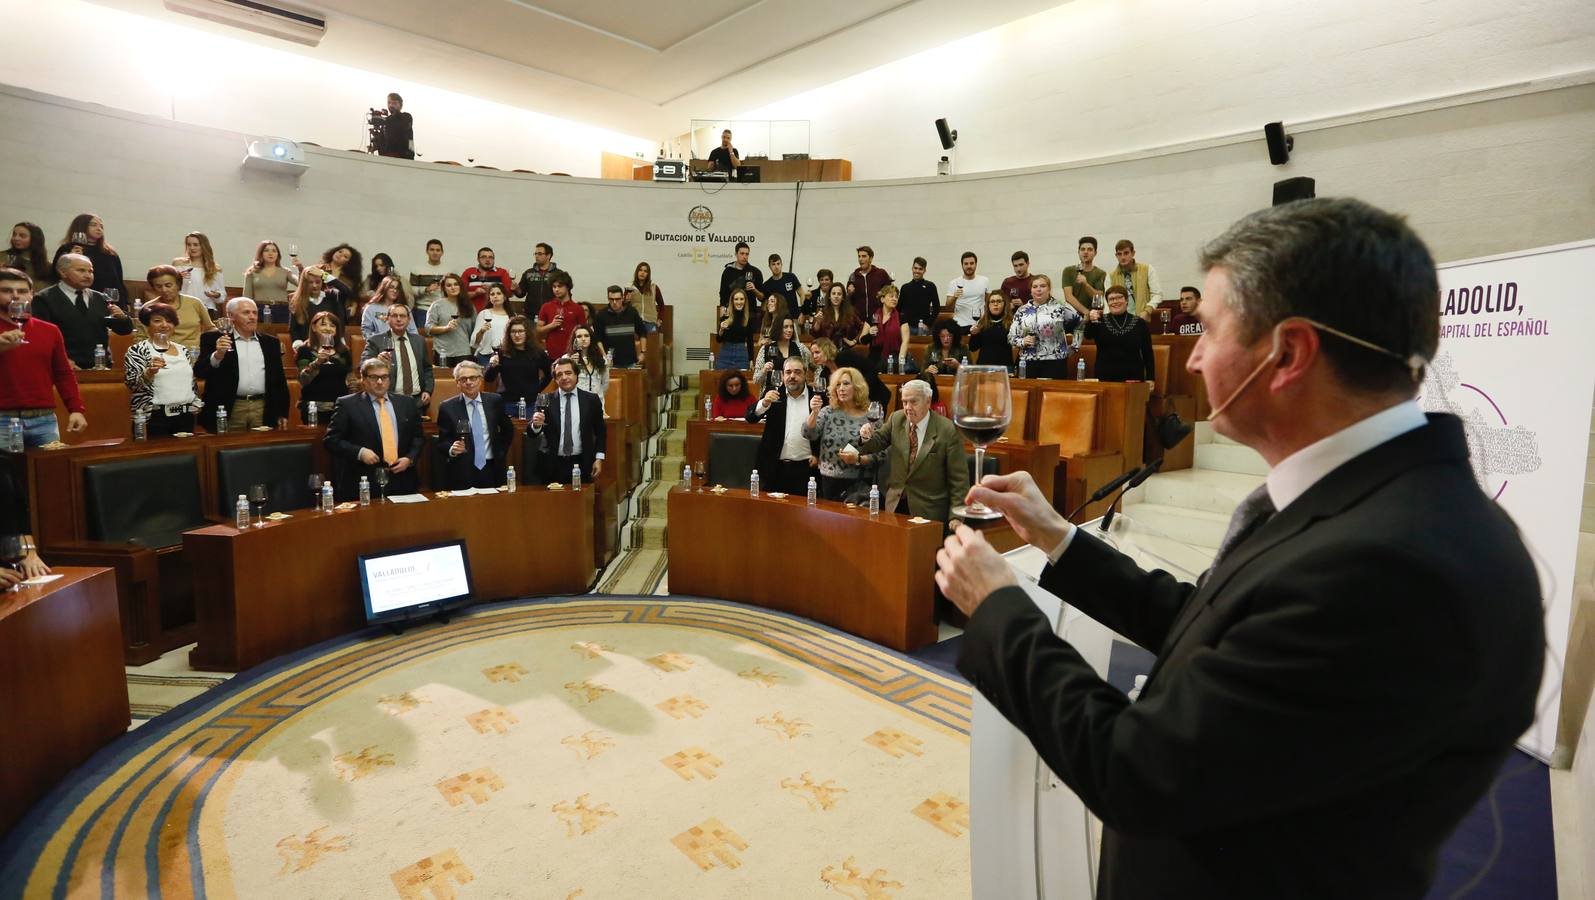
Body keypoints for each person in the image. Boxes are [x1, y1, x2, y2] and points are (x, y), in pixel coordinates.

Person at [934, 197, 1544, 899]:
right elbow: (1214, 629)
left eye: (1210, 330)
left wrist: (999, 609)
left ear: (1286, 353)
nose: (1190, 358)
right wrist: (1057, 537)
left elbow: (1140, 773)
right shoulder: (1367, 500)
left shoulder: (1391, 565)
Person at [851, 378, 967, 523]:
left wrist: (956, 517)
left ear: (928, 401)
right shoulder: (896, 418)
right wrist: (866, 437)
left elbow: (959, 479)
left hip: (929, 510)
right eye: (905, 402)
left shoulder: (947, 429)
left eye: (913, 402)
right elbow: (877, 443)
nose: (908, 407)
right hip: (895, 505)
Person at [0, 268, 86, 446]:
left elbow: (63, 373)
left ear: (31, 295)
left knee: (49, 472)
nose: (15, 296)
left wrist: (76, 409)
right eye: (7, 291)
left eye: (22, 291)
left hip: (43, 419)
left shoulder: (50, 330)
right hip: (2, 418)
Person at [324, 357, 423, 501]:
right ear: (363, 379)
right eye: (373, 377)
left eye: (384, 377)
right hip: (364, 482)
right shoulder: (347, 404)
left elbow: (418, 437)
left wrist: (410, 458)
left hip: (403, 480)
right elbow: (331, 440)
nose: (379, 382)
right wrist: (359, 452)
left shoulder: (406, 403)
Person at [196, 297, 288, 432]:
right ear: (230, 316)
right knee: (228, 450)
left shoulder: (271, 342)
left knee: (262, 450)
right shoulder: (213, 339)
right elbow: (199, 372)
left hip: (263, 407)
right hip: (229, 408)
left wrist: (282, 412)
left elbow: (279, 380)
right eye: (246, 313)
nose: (252, 317)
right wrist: (217, 355)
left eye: (255, 313)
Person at [30, 253, 133, 369]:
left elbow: (124, 330)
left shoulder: (100, 298)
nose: (88, 275)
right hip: (63, 366)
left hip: (100, 366)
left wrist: (122, 318)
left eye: (91, 271)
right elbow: (40, 337)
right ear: (63, 272)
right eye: (81, 271)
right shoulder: (44, 298)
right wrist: (61, 360)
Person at [123, 302, 201, 437]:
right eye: (157, 321)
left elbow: (191, 381)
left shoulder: (182, 349)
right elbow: (132, 384)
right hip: (153, 417)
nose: (164, 325)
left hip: (185, 415)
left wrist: (195, 402)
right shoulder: (137, 350)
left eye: (169, 321)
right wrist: (149, 372)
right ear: (147, 324)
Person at [746, 354, 820, 494]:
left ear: (805, 374)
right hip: (774, 467)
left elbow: (823, 431)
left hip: (806, 469)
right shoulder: (774, 394)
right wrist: (765, 403)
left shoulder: (816, 397)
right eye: (788, 372)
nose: (792, 376)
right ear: (783, 375)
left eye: (797, 372)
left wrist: (818, 454)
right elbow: (750, 417)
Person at [437, 360, 514, 490]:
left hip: (492, 467)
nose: (468, 382)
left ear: (480, 379)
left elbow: (508, 429)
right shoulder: (447, 407)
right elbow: (442, 441)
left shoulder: (495, 401)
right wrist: (452, 449)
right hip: (462, 470)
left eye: (473, 377)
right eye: (463, 379)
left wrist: (500, 451)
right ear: (457, 383)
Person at [802, 365, 873, 502]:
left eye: (846, 384)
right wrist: (814, 413)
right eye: (838, 385)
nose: (841, 388)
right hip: (830, 480)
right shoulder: (828, 411)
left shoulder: (871, 415)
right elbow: (809, 434)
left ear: (857, 387)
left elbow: (881, 452)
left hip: (861, 481)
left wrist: (858, 459)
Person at [531, 356, 606, 483]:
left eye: (568, 373)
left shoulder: (591, 400)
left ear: (576, 375)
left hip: (582, 463)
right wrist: (536, 425)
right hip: (552, 464)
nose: (564, 377)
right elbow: (532, 433)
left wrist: (599, 458)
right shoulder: (545, 399)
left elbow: (600, 431)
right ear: (555, 379)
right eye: (559, 374)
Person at [1010, 274, 1083, 379]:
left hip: (1055, 361)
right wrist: (1022, 341)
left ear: (1049, 289)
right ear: (1031, 291)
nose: (1038, 289)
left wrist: (1074, 347)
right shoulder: (1022, 310)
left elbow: (1080, 323)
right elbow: (1011, 337)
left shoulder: (1061, 306)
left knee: (1053, 394)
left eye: (1042, 286)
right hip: (1028, 361)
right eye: (1035, 287)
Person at [366, 304, 434, 413]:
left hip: (417, 401)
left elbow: (427, 369)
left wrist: (427, 390)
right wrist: (376, 361)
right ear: (387, 319)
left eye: (402, 316)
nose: (398, 319)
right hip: (389, 400)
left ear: (409, 319)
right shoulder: (376, 341)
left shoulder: (419, 341)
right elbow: (363, 365)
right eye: (394, 316)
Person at [1085, 285, 1156, 383]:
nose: (1115, 301)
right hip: (1105, 378)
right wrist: (1091, 320)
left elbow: (1147, 352)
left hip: (1133, 379)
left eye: (1119, 297)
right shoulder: (1099, 320)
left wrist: (1150, 378)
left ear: (1126, 300)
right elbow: (1088, 335)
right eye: (1111, 299)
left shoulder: (1140, 323)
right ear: (1107, 303)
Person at [484, 316, 551, 411]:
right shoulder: (502, 353)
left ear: (527, 333)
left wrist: (537, 389)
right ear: (509, 334)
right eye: (513, 331)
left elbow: (549, 375)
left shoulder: (538, 353)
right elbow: (488, 379)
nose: (517, 335)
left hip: (531, 403)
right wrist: (492, 366)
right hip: (507, 402)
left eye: (520, 331)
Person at [142, 265, 216, 351]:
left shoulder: (195, 303)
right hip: (162, 354)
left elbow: (210, 328)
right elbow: (142, 337)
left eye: (168, 285)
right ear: (153, 288)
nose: (164, 290)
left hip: (193, 353)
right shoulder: (148, 308)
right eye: (159, 286)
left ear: (178, 285)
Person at [295, 311, 351, 425]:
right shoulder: (304, 350)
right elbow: (303, 379)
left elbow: (351, 378)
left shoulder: (344, 351)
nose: (328, 328)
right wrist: (317, 362)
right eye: (323, 324)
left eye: (332, 325)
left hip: (340, 408)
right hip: (314, 409)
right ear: (314, 327)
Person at [55, 214, 124, 299]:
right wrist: (70, 257)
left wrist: (126, 302)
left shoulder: (109, 253)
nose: (99, 229)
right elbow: (56, 275)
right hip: (78, 297)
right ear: (81, 226)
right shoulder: (67, 249)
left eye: (101, 226)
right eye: (93, 225)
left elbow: (118, 281)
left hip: (109, 299)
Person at [288, 263, 346, 347]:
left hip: (331, 345)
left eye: (318, 282)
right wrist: (299, 344)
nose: (314, 286)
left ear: (322, 282)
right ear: (304, 283)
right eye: (310, 282)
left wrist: (324, 275)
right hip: (307, 347)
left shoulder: (332, 296)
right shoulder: (296, 300)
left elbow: (347, 291)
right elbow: (293, 329)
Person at [591, 284, 647, 369]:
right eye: (611, 299)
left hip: (630, 361)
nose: (614, 302)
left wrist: (643, 352)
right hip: (611, 362)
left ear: (622, 298)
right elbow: (598, 339)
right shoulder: (601, 315)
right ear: (608, 299)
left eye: (617, 299)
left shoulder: (632, 312)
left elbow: (643, 332)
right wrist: (605, 357)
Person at [426, 276, 478, 367]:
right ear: (444, 288)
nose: (453, 287)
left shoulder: (469, 306)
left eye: (456, 284)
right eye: (449, 285)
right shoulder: (437, 305)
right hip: (443, 351)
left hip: (464, 351)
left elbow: (474, 330)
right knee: (444, 380)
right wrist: (446, 328)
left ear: (460, 286)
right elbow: (428, 328)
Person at [173, 232, 225, 316]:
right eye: (189, 245)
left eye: (196, 245)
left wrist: (216, 295)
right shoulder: (178, 264)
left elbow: (222, 296)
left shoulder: (214, 268)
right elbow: (170, 288)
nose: (192, 248)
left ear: (204, 246)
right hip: (182, 309)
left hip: (206, 310)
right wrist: (177, 278)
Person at [537, 271, 586, 359]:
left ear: (567, 287)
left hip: (572, 355)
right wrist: (551, 325)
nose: (556, 289)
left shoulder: (578, 309)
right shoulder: (546, 307)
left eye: (560, 286)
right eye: (554, 286)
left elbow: (584, 333)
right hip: (551, 355)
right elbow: (538, 331)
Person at [754, 316, 809, 394]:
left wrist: (814, 382)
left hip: (796, 394)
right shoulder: (765, 349)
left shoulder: (801, 348)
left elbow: (816, 366)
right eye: (785, 327)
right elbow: (756, 380)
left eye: (791, 327)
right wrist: (764, 370)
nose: (789, 330)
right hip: (771, 395)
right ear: (778, 328)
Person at [1110, 238, 1163, 318]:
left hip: (1142, 318)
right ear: (1116, 255)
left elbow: (1157, 294)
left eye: (1126, 253)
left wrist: (1147, 311)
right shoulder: (1111, 276)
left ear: (1133, 253)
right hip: (1120, 320)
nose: (1123, 257)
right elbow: (1107, 301)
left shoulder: (1147, 269)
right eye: (1119, 254)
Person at [241, 240, 300, 310]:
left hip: (282, 309)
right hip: (259, 308)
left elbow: (301, 284)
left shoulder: (285, 271)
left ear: (278, 254)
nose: (270, 253)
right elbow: (247, 297)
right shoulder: (252, 272)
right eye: (266, 250)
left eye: (274, 251)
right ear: (261, 253)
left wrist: (300, 268)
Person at [361, 275, 420, 340]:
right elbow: (366, 331)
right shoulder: (371, 308)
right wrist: (377, 342)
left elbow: (413, 331)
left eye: (397, 288)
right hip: (379, 345)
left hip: (401, 344)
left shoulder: (404, 309)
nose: (395, 291)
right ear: (385, 288)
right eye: (391, 287)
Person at [869, 284, 912, 372]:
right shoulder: (874, 316)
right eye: (891, 296)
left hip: (894, 358)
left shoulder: (901, 318)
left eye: (896, 297)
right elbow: (862, 340)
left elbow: (905, 341)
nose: (894, 299)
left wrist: (901, 362)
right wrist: (869, 333)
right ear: (882, 299)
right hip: (874, 358)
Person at [810, 283, 864, 352]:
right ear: (829, 296)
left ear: (843, 297)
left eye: (839, 294)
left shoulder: (851, 312)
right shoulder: (821, 311)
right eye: (833, 293)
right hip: (827, 350)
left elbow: (862, 327)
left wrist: (854, 341)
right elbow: (814, 334)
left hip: (845, 350)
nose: (836, 296)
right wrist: (817, 322)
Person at [967, 291, 1014, 370]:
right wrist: (974, 335)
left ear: (1005, 304)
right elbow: (973, 348)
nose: (995, 304)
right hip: (983, 366)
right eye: (992, 302)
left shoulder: (1011, 323)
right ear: (988, 305)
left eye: (999, 301)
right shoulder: (982, 323)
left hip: (1004, 367)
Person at [1061, 235, 1107, 316]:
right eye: (1082, 249)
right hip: (1072, 317)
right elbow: (1068, 297)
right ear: (1078, 252)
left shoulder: (1100, 273)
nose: (1086, 252)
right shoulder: (1068, 271)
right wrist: (1086, 312)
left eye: (1089, 249)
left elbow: (1099, 298)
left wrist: (1086, 284)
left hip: (1094, 317)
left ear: (1095, 253)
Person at [515, 242, 561, 316]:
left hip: (552, 315)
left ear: (548, 255)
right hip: (531, 315)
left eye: (539, 254)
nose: (536, 256)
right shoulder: (528, 273)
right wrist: (516, 289)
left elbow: (565, 294)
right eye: (535, 254)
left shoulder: (558, 274)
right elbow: (521, 294)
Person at [318, 244, 363, 320]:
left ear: (349, 262)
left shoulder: (349, 277)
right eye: (340, 251)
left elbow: (352, 294)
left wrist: (354, 306)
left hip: (340, 310)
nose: (340, 255)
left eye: (345, 256)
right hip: (320, 307)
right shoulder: (321, 268)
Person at [568, 323, 609, 406]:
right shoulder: (567, 359)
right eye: (579, 336)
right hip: (575, 402)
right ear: (574, 340)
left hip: (597, 402)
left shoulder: (601, 359)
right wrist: (570, 365)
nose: (583, 339)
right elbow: (564, 382)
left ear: (591, 338)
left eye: (586, 336)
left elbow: (605, 384)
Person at [471, 284, 514, 363]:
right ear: (489, 298)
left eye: (498, 293)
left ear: (504, 297)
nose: (495, 296)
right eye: (492, 294)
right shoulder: (484, 314)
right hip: (486, 356)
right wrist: (481, 331)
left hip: (506, 355)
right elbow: (475, 342)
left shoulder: (512, 316)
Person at [848, 246, 893, 321]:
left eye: (864, 256)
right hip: (859, 320)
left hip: (877, 318)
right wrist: (849, 294)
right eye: (859, 256)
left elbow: (890, 293)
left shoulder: (881, 273)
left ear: (871, 258)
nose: (860, 259)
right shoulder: (853, 276)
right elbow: (849, 301)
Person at [462, 247, 514, 312]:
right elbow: (461, 295)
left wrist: (492, 289)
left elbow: (510, 294)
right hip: (472, 314)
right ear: (478, 259)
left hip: (496, 314)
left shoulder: (502, 273)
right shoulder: (468, 272)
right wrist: (475, 293)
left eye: (490, 257)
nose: (487, 260)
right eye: (483, 257)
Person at [946, 251, 988, 328]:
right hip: (960, 324)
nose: (969, 266)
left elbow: (988, 303)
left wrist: (985, 320)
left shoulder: (984, 280)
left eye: (971, 263)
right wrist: (954, 297)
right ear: (962, 265)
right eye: (966, 264)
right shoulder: (954, 282)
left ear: (976, 264)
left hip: (979, 324)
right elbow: (948, 307)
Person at [898, 256, 939, 335]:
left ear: (924, 270)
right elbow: (898, 309)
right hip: (907, 328)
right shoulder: (905, 287)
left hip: (923, 327)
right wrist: (902, 324)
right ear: (912, 268)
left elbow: (936, 308)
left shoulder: (930, 286)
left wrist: (928, 324)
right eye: (915, 268)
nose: (917, 271)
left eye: (920, 269)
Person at [408, 238, 449, 316]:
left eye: (438, 250)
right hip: (423, 309)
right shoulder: (417, 269)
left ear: (442, 252)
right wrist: (426, 289)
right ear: (427, 252)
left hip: (443, 309)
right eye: (432, 250)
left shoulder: (449, 271)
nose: (435, 252)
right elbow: (411, 290)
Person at [715, 290, 754, 370]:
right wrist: (721, 330)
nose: (739, 302)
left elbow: (750, 341)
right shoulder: (725, 318)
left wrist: (751, 359)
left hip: (741, 354)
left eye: (741, 299)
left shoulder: (748, 319)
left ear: (745, 301)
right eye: (736, 299)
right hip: (725, 353)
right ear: (732, 301)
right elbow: (718, 340)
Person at [718, 242, 763, 311]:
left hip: (750, 314)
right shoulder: (728, 272)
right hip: (732, 313)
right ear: (736, 254)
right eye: (742, 253)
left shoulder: (756, 272)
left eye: (747, 254)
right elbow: (723, 295)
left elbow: (762, 298)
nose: (744, 256)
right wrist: (723, 313)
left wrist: (754, 290)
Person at [762, 253, 804, 322]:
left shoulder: (791, 277)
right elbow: (765, 305)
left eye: (778, 264)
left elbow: (802, 293)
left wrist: (802, 312)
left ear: (782, 265)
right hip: (777, 320)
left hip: (794, 317)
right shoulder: (767, 285)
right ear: (769, 266)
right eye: (773, 264)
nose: (776, 267)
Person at [374, 92, 415, 159]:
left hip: (405, 156)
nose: (391, 105)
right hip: (387, 157)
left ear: (400, 105)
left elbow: (402, 128)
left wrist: (387, 119)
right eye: (389, 103)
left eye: (394, 103)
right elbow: (382, 140)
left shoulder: (406, 116)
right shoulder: (386, 121)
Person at [626, 261, 663, 334]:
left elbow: (661, 305)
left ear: (648, 274)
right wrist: (626, 300)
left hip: (650, 321)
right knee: (635, 344)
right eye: (640, 270)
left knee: (651, 343)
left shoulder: (653, 287)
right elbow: (623, 306)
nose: (642, 273)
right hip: (634, 322)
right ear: (637, 272)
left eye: (645, 271)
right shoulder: (629, 287)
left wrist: (660, 319)